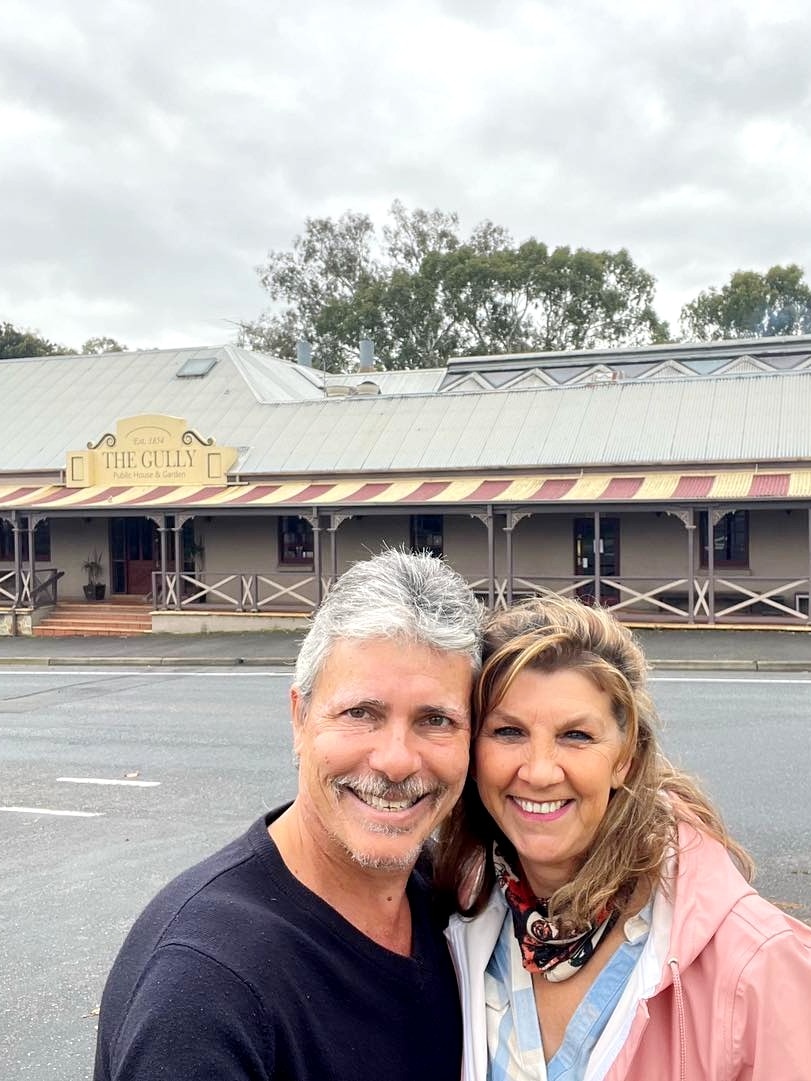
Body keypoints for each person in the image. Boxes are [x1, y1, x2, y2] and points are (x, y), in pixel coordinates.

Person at [94, 548, 483, 1081]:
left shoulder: (453, 904)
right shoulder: (204, 989)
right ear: (300, 719)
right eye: (360, 713)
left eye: (436, 720)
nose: (396, 760)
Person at [437, 595, 811, 1081]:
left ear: (626, 758)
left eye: (576, 736)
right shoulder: (450, 910)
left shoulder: (758, 967)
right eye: (509, 732)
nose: (540, 771)